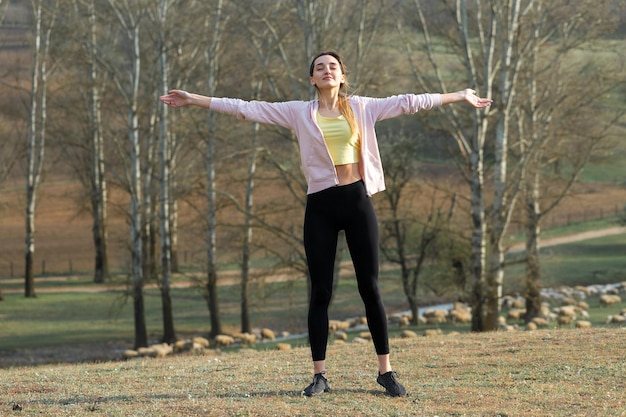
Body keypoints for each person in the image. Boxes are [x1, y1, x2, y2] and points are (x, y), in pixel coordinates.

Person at [160, 51, 491, 397]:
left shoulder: (363, 107)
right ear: (312, 79)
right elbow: (247, 107)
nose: (327, 70)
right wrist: (194, 100)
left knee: (371, 289)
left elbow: (410, 102)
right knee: (321, 291)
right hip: (320, 207)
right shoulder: (298, 113)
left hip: (357, 202)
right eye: (320, 67)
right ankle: (320, 375)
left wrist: (459, 95)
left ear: (342, 76)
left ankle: (386, 371)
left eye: (332, 66)